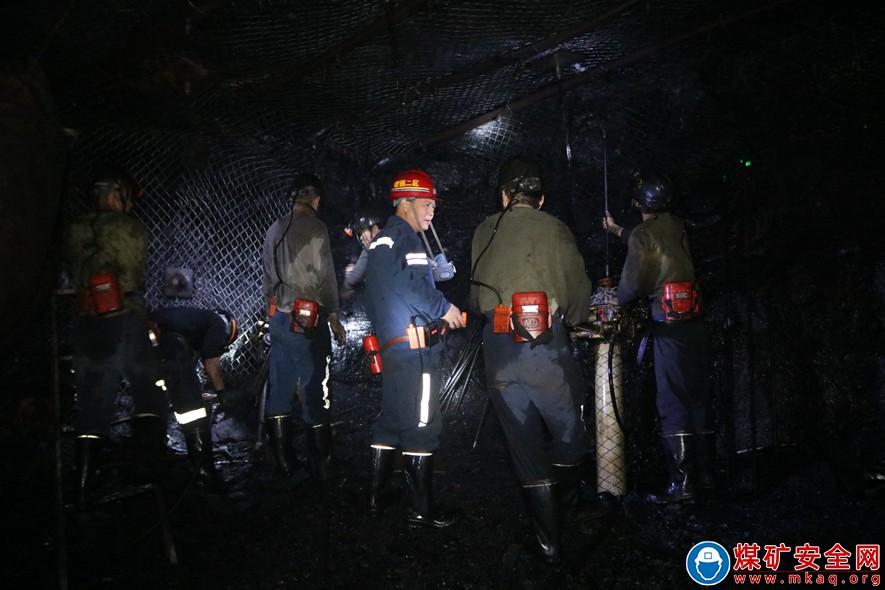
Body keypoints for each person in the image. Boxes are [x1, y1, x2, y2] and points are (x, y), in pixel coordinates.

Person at [469, 156, 608, 564]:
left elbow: (476, 299)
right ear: (541, 199)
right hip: (545, 347)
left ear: (504, 196)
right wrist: (578, 318)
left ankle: (548, 544)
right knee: (569, 432)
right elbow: (577, 292)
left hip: (498, 348)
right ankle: (569, 508)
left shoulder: (483, 230)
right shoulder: (555, 228)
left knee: (524, 445)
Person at [603, 167, 713, 504]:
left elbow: (632, 284)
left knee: (671, 401)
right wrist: (618, 231)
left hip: (667, 326)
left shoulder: (643, 234)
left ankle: (682, 485)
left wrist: (614, 301)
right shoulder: (678, 225)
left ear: (639, 203)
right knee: (697, 398)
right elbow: (652, 241)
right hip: (694, 322)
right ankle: (706, 476)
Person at [363, 169, 466, 528]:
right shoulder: (406, 238)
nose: (431, 211)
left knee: (391, 421)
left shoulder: (382, 241)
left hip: (393, 346)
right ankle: (421, 511)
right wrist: (444, 308)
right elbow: (408, 285)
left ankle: (376, 499)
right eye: (426, 204)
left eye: (433, 205)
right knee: (423, 423)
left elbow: (377, 294)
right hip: (415, 351)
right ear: (405, 203)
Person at [62, 171, 169, 504]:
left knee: (92, 401)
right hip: (124, 317)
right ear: (113, 195)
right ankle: (148, 468)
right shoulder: (131, 229)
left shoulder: (74, 230)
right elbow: (136, 274)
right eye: (126, 198)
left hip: (86, 320)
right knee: (148, 389)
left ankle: (84, 485)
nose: (129, 205)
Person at [261, 172, 346, 482]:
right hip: (308, 319)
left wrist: (273, 310)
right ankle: (323, 463)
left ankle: (284, 463)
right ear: (316, 199)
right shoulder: (316, 228)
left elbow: (267, 276)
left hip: (280, 318)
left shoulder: (274, 228)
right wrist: (333, 314)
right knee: (315, 385)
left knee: (281, 385)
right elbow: (326, 276)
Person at [152, 306, 241, 490]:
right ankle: (204, 474)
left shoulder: (192, 320)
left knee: (154, 399)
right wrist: (222, 393)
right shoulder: (218, 323)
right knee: (192, 409)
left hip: (145, 339)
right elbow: (211, 360)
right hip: (170, 342)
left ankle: (155, 453)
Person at [340, 204, 391, 303]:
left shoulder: (372, 249)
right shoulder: (397, 240)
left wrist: (351, 273)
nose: (361, 238)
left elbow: (352, 279)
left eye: (362, 232)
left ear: (375, 230)